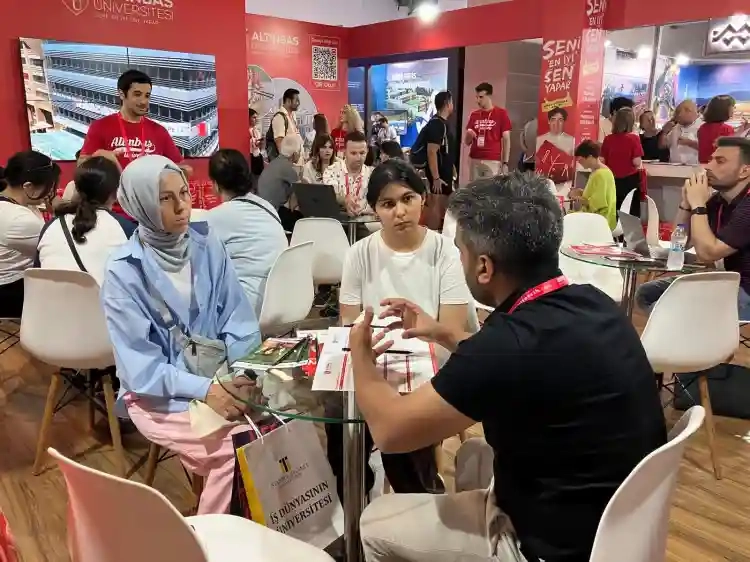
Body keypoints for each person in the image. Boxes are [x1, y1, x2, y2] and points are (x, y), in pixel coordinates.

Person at [351, 172, 667, 562]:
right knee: (474, 456)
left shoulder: (507, 343)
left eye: (461, 252)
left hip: (546, 545)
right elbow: (520, 363)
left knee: (375, 521)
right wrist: (443, 333)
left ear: (484, 267)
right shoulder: (595, 304)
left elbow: (390, 431)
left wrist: (359, 356)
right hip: (616, 532)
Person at [101, 155, 261, 515]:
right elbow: (142, 371)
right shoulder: (124, 272)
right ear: (140, 204)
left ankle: (257, 531)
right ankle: (210, 541)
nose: (181, 206)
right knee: (239, 450)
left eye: (184, 193)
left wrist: (242, 374)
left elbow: (238, 318)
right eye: (164, 198)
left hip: (220, 375)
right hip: (160, 396)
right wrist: (208, 390)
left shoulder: (207, 244)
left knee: (281, 422)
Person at [329, 158, 472, 498]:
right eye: (388, 204)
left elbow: (451, 334)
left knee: (403, 436)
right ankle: (355, 501)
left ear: (423, 199)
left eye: (408, 198)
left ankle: (417, 502)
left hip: (429, 366)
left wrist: (424, 328)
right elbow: (349, 324)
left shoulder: (446, 253)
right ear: (375, 209)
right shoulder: (359, 254)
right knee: (338, 420)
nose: (400, 212)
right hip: (374, 363)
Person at [636, 136, 750, 319]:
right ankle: (693, 332)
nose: (708, 166)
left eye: (720, 161)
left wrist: (698, 204)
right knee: (647, 294)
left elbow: (707, 253)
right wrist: (686, 204)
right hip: (725, 280)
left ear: (744, 171)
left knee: (665, 309)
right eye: (711, 159)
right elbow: (679, 244)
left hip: (745, 290)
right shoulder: (718, 201)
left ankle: (693, 332)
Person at [206, 149, 287, 317]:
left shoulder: (217, 217)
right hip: (284, 299)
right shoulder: (267, 207)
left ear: (215, 184)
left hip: (247, 307)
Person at [36, 157, 136, 285]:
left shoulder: (51, 227)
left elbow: (38, 272)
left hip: (47, 297)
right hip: (103, 298)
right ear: (116, 192)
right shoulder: (127, 230)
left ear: (76, 188)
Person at [79, 70, 189, 176]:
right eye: (137, 94)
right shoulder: (100, 126)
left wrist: (162, 172)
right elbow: (81, 166)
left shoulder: (159, 131)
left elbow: (185, 168)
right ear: (122, 94)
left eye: (147, 95)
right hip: (115, 189)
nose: (144, 101)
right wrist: (100, 159)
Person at [0, 151, 61, 318]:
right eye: (48, 187)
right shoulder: (18, 218)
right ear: (28, 187)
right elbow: (58, 244)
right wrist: (58, 209)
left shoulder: (15, 205)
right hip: (12, 292)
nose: (50, 193)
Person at [601, 107, 643, 216]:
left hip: (612, 180)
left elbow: (602, 161)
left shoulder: (608, 139)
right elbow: (636, 162)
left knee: (614, 210)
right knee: (630, 212)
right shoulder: (634, 139)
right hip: (630, 181)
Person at [464, 83, 512, 180]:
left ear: (489, 96)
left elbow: (506, 139)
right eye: (477, 97)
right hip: (475, 159)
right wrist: (469, 135)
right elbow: (467, 142)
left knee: (490, 187)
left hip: (492, 160)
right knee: (474, 187)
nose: (478, 100)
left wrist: (505, 163)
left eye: (481, 97)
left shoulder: (501, 114)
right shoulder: (474, 115)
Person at [257, 135, 303, 231]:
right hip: (273, 213)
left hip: (261, 211)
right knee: (302, 220)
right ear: (295, 154)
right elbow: (297, 197)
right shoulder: (289, 169)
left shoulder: (273, 163)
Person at [322, 130, 373, 217]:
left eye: (362, 153)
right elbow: (330, 197)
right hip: (337, 220)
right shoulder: (331, 171)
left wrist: (363, 208)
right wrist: (344, 199)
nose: (358, 158)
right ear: (344, 151)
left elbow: (378, 202)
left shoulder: (372, 174)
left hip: (365, 221)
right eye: (353, 153)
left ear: (367, 151)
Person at [572, 140, 617, 230]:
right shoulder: (601, 171)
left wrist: (577, 198)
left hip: (600, 220)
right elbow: (598, 194)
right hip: (601, 217)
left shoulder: (600, 174)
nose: (579, 162)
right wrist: (581, 192)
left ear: (590, 157)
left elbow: (597, 204)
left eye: (581, 160)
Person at [698, 95, 750, 164]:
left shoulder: (702, 127)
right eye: (733, 106)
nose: (734, 109)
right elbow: (731, 147)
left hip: (704, 165)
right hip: (720, 166)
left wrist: (741, 130)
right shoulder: (726, 129)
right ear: (726, 109)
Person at [660, 100, 702, 165]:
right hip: (673, 168)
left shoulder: (703, 127)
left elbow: (710, 150)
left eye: (678, 112)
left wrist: (690, 143)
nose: (676, 116)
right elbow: (662, 145)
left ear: (689, 111)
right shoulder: (675, 127)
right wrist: (664, 132)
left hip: (694, 169)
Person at [267, 88, 301, 160]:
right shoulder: (279, 117)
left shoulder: (293, 116)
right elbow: (279, 141)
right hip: (285, 161)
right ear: (288, 101)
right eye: (296, 100)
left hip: (293, 160)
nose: (299, 103)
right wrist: (285, 162)